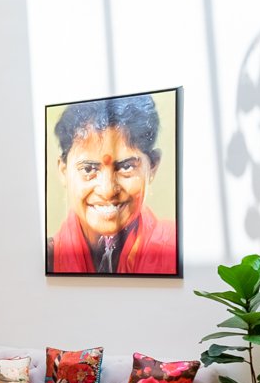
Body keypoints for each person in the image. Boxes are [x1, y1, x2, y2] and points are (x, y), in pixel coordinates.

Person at [49, 94, 177, 274]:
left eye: (126, 167)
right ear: (64, 171)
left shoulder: (175, 248)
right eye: (88, 169)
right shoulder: (48, 257)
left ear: (152, 167)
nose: (108, 190)